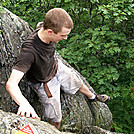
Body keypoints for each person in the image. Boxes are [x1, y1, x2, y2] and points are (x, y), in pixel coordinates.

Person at [6, 8, 110, 130]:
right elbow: (11, 84)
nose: (65, 38)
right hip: (44, 81)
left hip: (55, 66)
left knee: (77, 81)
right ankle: (54, 130)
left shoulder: (44, 27)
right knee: (56, 116)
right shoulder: (29, 52)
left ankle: (93, 97)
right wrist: (24, 104)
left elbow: (45, 21)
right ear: (50, 32)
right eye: (63, 35)